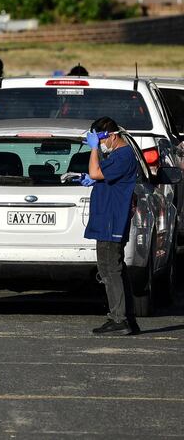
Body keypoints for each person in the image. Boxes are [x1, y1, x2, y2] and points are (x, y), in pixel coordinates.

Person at [81, 117, 140, 335]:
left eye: (100, 139)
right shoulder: (117, 156)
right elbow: (98, 176)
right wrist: (85, 177)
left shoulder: (123, 155)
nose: (99, 144)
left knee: (110, 269)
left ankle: (120, 319)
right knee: (114, 268)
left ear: (112, 136)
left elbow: (96, 172)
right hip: (107, 217)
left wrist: (94, 150)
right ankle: (125, 317)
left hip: (111, 219)